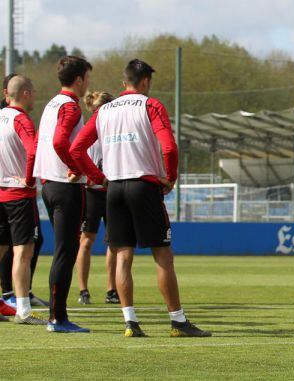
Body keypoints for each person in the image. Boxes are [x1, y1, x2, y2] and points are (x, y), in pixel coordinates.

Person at [70, 59, 210, 338]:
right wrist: (170, 177)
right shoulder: (151, 105)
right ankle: (178, 321)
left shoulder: (104, 110)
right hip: (143, 185)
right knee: (162, 255)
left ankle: (130, 323)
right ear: (145, 82)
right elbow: (169, 147)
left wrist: (97, 177)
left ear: (124, 83)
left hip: (114, 188)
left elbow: (75, 150)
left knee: (123, 255)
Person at [34, 55, 94, 332]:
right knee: (65, 253)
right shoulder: (70, 106)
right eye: (87, 79)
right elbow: (60, 141)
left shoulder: (50, 104)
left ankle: (57, 315)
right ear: (79, 79)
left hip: (48, 183)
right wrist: (75, 166)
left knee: (63, 252)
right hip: (66, 186)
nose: (87, 85)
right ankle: (57, 318)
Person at [0, 74, 46, 325]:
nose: (36, 96)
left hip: (0, 192)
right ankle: (24, 311)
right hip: (18, 195)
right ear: (25, 93)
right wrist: (29, 179)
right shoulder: (22, 120)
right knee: (23, 252)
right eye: (34, 92)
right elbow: (33, 151)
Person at [74, 91, 117, 305]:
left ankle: (112, 289)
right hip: (92, 191)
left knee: (114, 242)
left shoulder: (114, 129)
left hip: (112, 191)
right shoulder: (88, 130)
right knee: (86, 241)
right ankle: (83, 290)